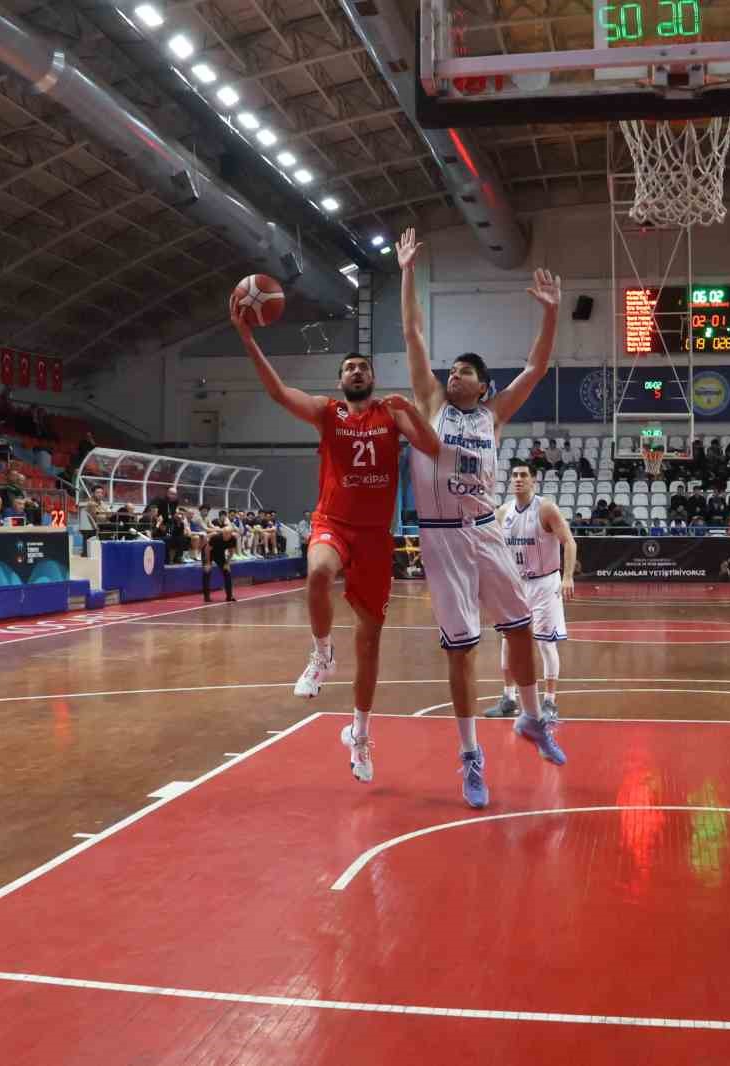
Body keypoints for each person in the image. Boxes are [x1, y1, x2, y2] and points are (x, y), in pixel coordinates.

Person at [232, 292, 441, 785]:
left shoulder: (392, 412)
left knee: (369, 645)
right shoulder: (327, 413)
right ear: (339, 380)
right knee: (319, 572)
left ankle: (361, 733)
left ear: (373, 377)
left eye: (363, 367)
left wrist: (412, 410)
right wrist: (246, 337)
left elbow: (432, 448)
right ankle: (322, 652)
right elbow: (279, 392)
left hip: (375, 537)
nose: (356, 372)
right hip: (333, 522)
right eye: (349, 367)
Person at [399, 226, 566, 808]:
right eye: (452, 372)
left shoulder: (494, 417)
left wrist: (550, 314)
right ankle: (471, 755)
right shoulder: (431, 405)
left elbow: (537, 368)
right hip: (442, 540)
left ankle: (529, 719)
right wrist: (406, 272)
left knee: (520, 628)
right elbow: (414, 334)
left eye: (465, 372)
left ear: (483, 384)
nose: (454, 376)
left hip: (487, 533)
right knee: (461, 650)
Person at [486, 461, 577, 720]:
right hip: (515, 585)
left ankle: (549, 701)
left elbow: (569, 542)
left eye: (524, 475)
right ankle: (508, 698)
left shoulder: (545, 509)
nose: (518, 479)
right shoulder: (503, 513)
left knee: (545, 644)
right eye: (514, 475)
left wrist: (568, 577)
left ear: (533, 480)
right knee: (507, 642)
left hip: (545, 583)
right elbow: (492, 550)